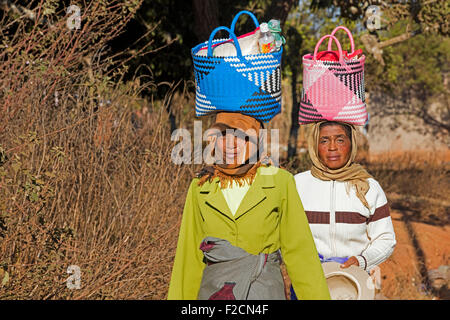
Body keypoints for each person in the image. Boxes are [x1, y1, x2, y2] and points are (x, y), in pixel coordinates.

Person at [167, 112, 331, 300]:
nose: (231, 144)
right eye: (223, 135)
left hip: (264, 292)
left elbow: (301, 254)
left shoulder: (279, 182)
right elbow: (188, 260)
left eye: (242, 136)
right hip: (214, 293)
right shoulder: (201, 187)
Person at [291, 120, 396, 299]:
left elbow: (386, 239)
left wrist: (362, 261)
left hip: (355, 283)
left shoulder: (368, 187)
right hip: (309, 281)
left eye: (340, 140)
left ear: (351, 143)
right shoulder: (297, 185)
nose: (332, 147)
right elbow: (284, 235)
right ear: (314, 145)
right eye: (324, 140)